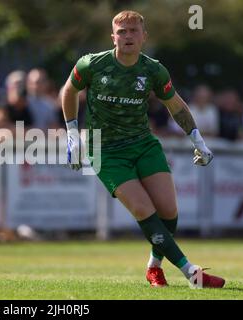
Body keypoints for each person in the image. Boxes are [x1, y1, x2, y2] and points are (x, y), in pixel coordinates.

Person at [61, 10, 225, 288]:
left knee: (169, 211)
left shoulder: (153, 70)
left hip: (143, 144)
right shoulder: (91, 64)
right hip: (106, 151)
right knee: (142, 209)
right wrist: (72, 134)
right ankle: (191, 273)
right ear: (112, 37)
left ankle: (154, 267)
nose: (127, 36)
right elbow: (68, 91)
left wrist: (197, 140)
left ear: (143, 36)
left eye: (133, 31)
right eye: (121, 31)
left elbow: (176, 105)